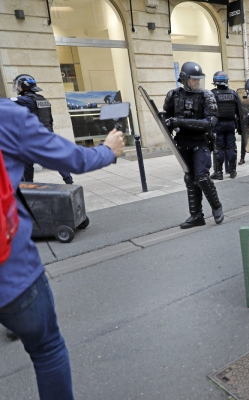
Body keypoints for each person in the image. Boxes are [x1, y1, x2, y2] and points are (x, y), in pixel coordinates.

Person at [0, 98, 124, 400]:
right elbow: (73, 158)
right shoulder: (7, 117)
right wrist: (108, 150)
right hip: (12, 274)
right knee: (47, 349)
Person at [163, 61, 224, 228]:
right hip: (182, 143)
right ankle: (196, 215)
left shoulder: (206, 96)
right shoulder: (173, 96)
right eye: (193, 80)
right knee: (190, 178)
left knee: (202, 176)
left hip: (200, 141)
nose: (197, 83)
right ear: (184, 79)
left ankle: (216, 207)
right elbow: (164, 119)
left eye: (199, 79)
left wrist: (180, 122)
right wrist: (169, 124)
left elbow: (210, 122)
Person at [11, 74, 74, 185]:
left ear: (24, 86)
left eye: (18, 85)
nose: (17, 87)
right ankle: (69, 181)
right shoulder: (42, 99)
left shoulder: (26, 100)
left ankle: (27, 185)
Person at [210, 71, 240, 180]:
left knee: (219, 148)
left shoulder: (212, 94)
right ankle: (232, 171)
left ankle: (218, 173)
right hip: (231, 124)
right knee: (231, 147)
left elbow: (209, 111)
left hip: (218, 125)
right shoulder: (233, 93)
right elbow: (239, 111)